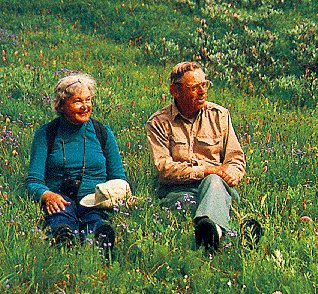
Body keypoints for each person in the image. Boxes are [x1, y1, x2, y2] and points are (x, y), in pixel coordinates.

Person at [145, 61, 246, 253]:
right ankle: (231, 234)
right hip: (178, 190)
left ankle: (211, 233)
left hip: (218, 187)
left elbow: (235, 158)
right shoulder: (158, 123)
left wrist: (233, 173)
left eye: (205, 85)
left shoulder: (220, 116)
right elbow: (165, 169)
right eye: (194, 88)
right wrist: (206, 170)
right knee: (187, 205)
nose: (202, 92)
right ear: (175, 91)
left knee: (214, 182)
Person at [26, 73, 127, 254]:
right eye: (78, 101)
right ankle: (63, 238)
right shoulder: (46, 134)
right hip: (61, 199)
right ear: (62, 105)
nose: (85, 106)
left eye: (88, 100)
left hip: (95, 200)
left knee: (96, 219)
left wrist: (111, 197)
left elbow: (118, 177)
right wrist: (47, 195)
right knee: (60, 216)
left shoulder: (102, 132)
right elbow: (33, 180)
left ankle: (99, 239)